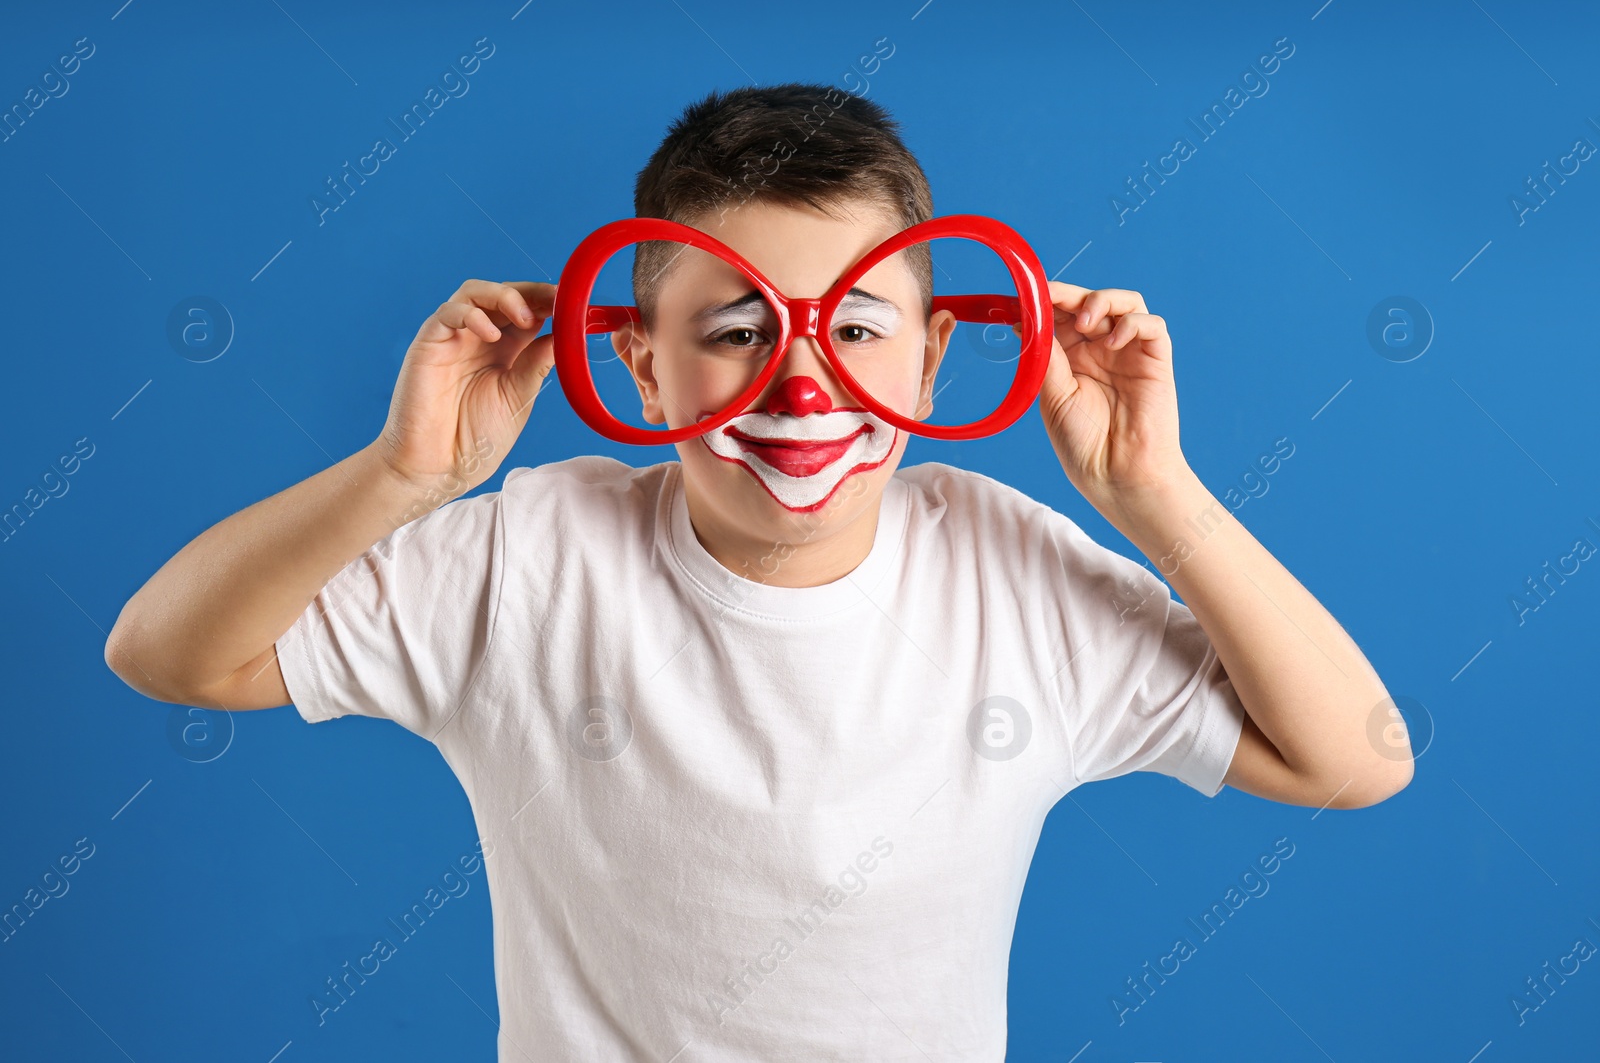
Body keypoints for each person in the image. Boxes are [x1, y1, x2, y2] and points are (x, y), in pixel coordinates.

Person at [105, 82, 1410, 1061]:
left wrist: (1154, 496)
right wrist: (406, 474)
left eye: (855, 328)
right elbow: (167, 652)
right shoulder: (529, 555)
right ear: (640, 363)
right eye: (736, 329)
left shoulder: (1009, 571)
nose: (803, 382)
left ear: (937, 360)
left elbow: (1354, 760)